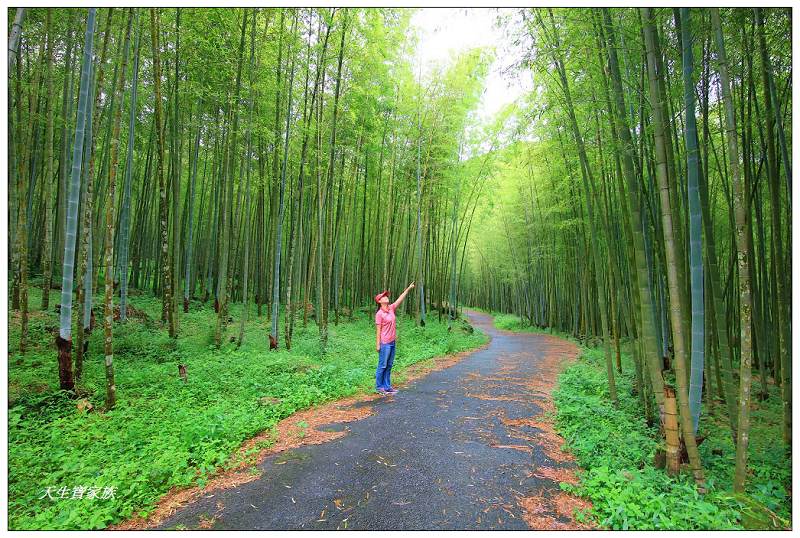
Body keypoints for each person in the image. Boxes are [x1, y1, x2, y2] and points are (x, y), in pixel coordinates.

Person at [374, 282, 415, 395]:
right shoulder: (379, 314)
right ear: (379, 301)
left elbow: (399, 299)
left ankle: (387, 387)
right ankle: (379, 387)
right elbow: (378, 330)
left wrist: (408, 289)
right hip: (385, 343)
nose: (386, 297)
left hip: (392, 342)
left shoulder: (391, 308)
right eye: (383, 296)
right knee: (382, 364)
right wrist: (378, 344)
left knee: (389, 365)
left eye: (386, 295)